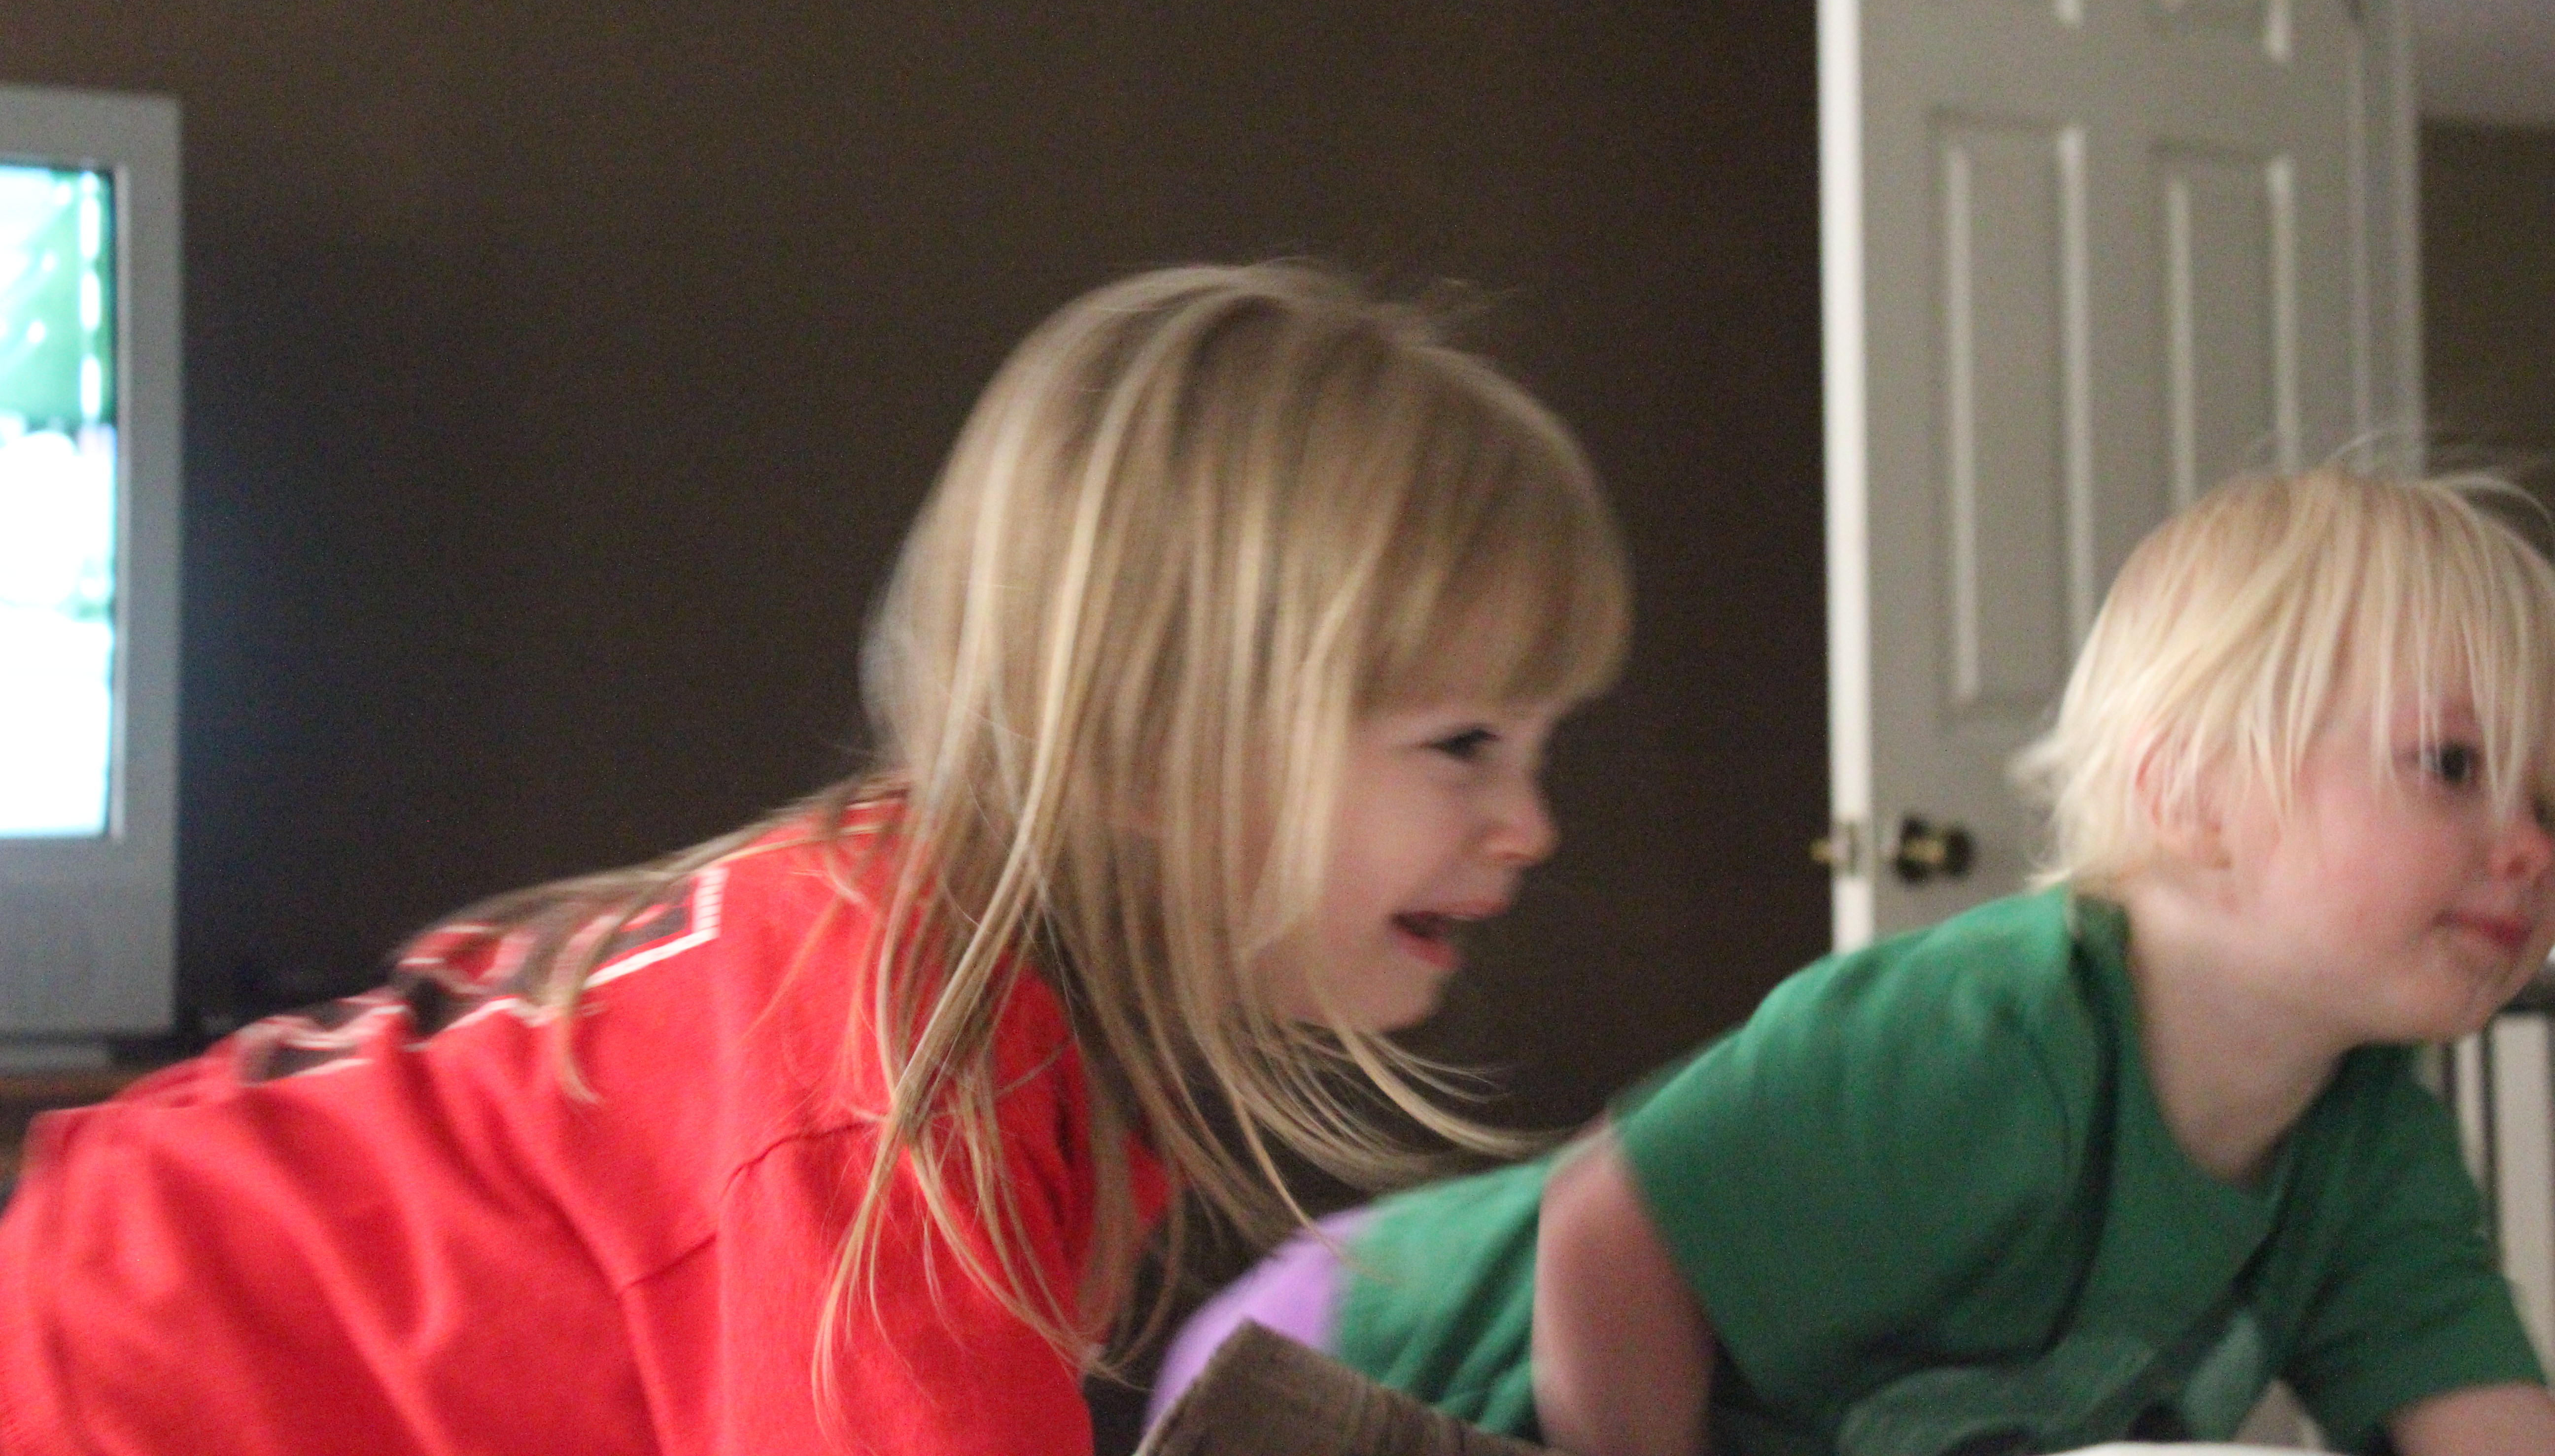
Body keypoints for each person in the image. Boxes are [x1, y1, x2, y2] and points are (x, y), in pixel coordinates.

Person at [0, 262, 1630, 1456]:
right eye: (1464, 745)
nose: (1531, 825)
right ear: (1154, 750)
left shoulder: (971, 997)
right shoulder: (912, 1086)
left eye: (1540, 744)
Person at [1161, 466, 2555, 1456]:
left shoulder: (2372, 1156)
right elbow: (1606, 1225)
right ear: (2193, 791)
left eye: (2551, 799)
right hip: (1360, 1358)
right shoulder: (1992, 1034)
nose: (2531, 847)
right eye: (2452, 765)